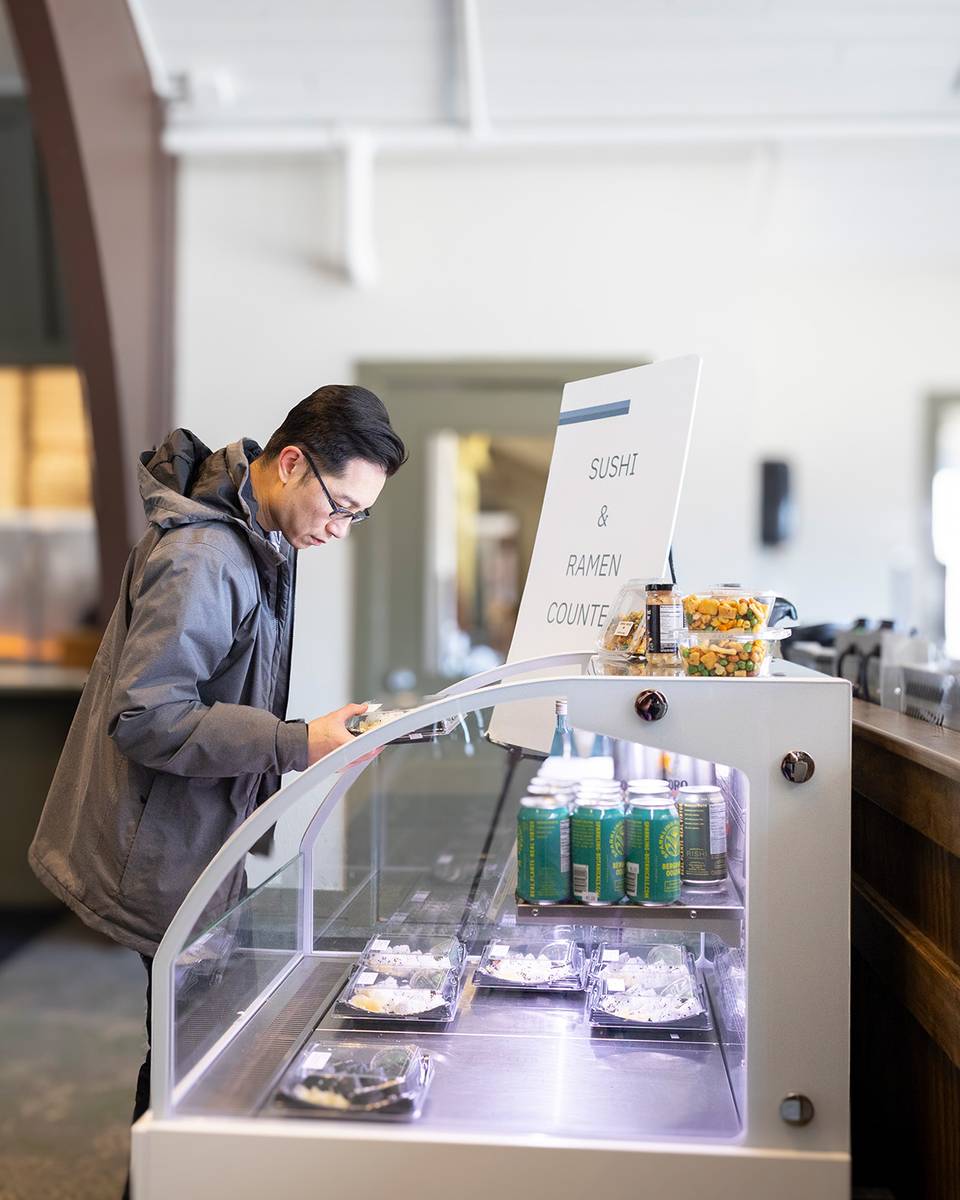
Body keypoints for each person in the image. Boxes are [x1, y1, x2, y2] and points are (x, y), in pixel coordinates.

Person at [26, 383, 407, 1167]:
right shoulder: (206, 556)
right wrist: (297, 741)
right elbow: (146, 718)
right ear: (292, 463)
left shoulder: (258, 533)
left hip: (195, 834)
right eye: (341, 506)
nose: (341, 529)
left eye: (359, 516)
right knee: (187, 1061)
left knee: (187, 1048)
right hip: (160, 849)